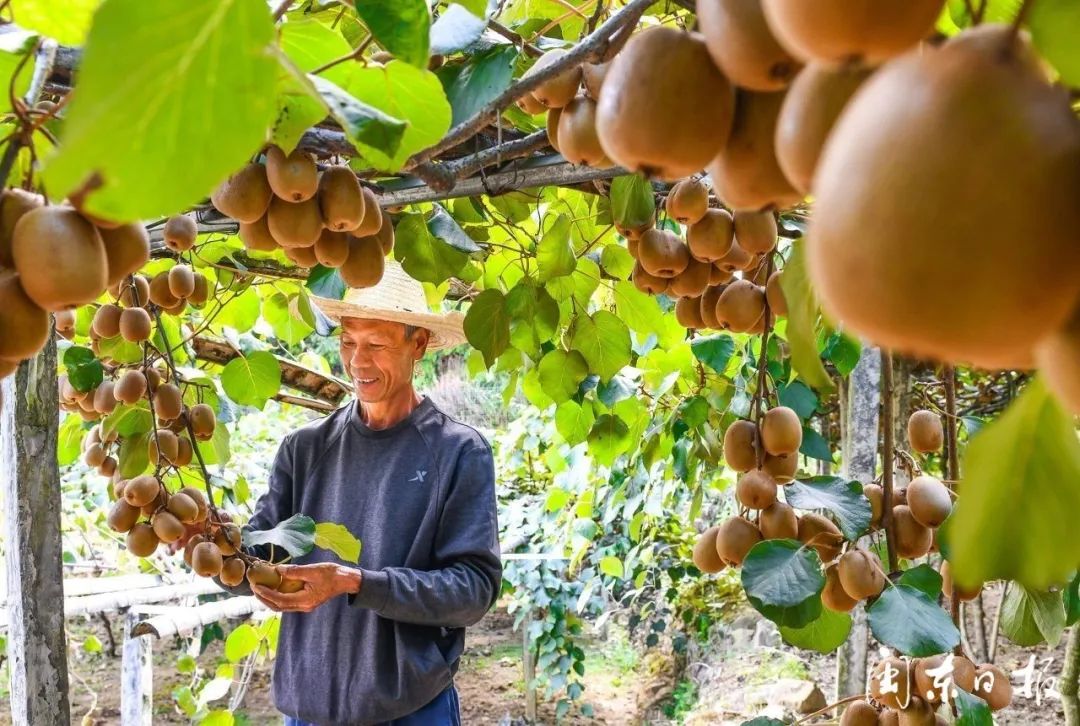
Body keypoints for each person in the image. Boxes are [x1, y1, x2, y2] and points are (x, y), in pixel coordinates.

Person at [197, 262, 502, 725]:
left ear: (417, 343)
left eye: (376, 344)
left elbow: (473, 591)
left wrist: (356, 582)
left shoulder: (458, 452)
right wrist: (215, 548)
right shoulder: (305, 449)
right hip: (310, 707)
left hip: (410, 707)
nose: (358, 361)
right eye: (348, 342)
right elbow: (258, 561)